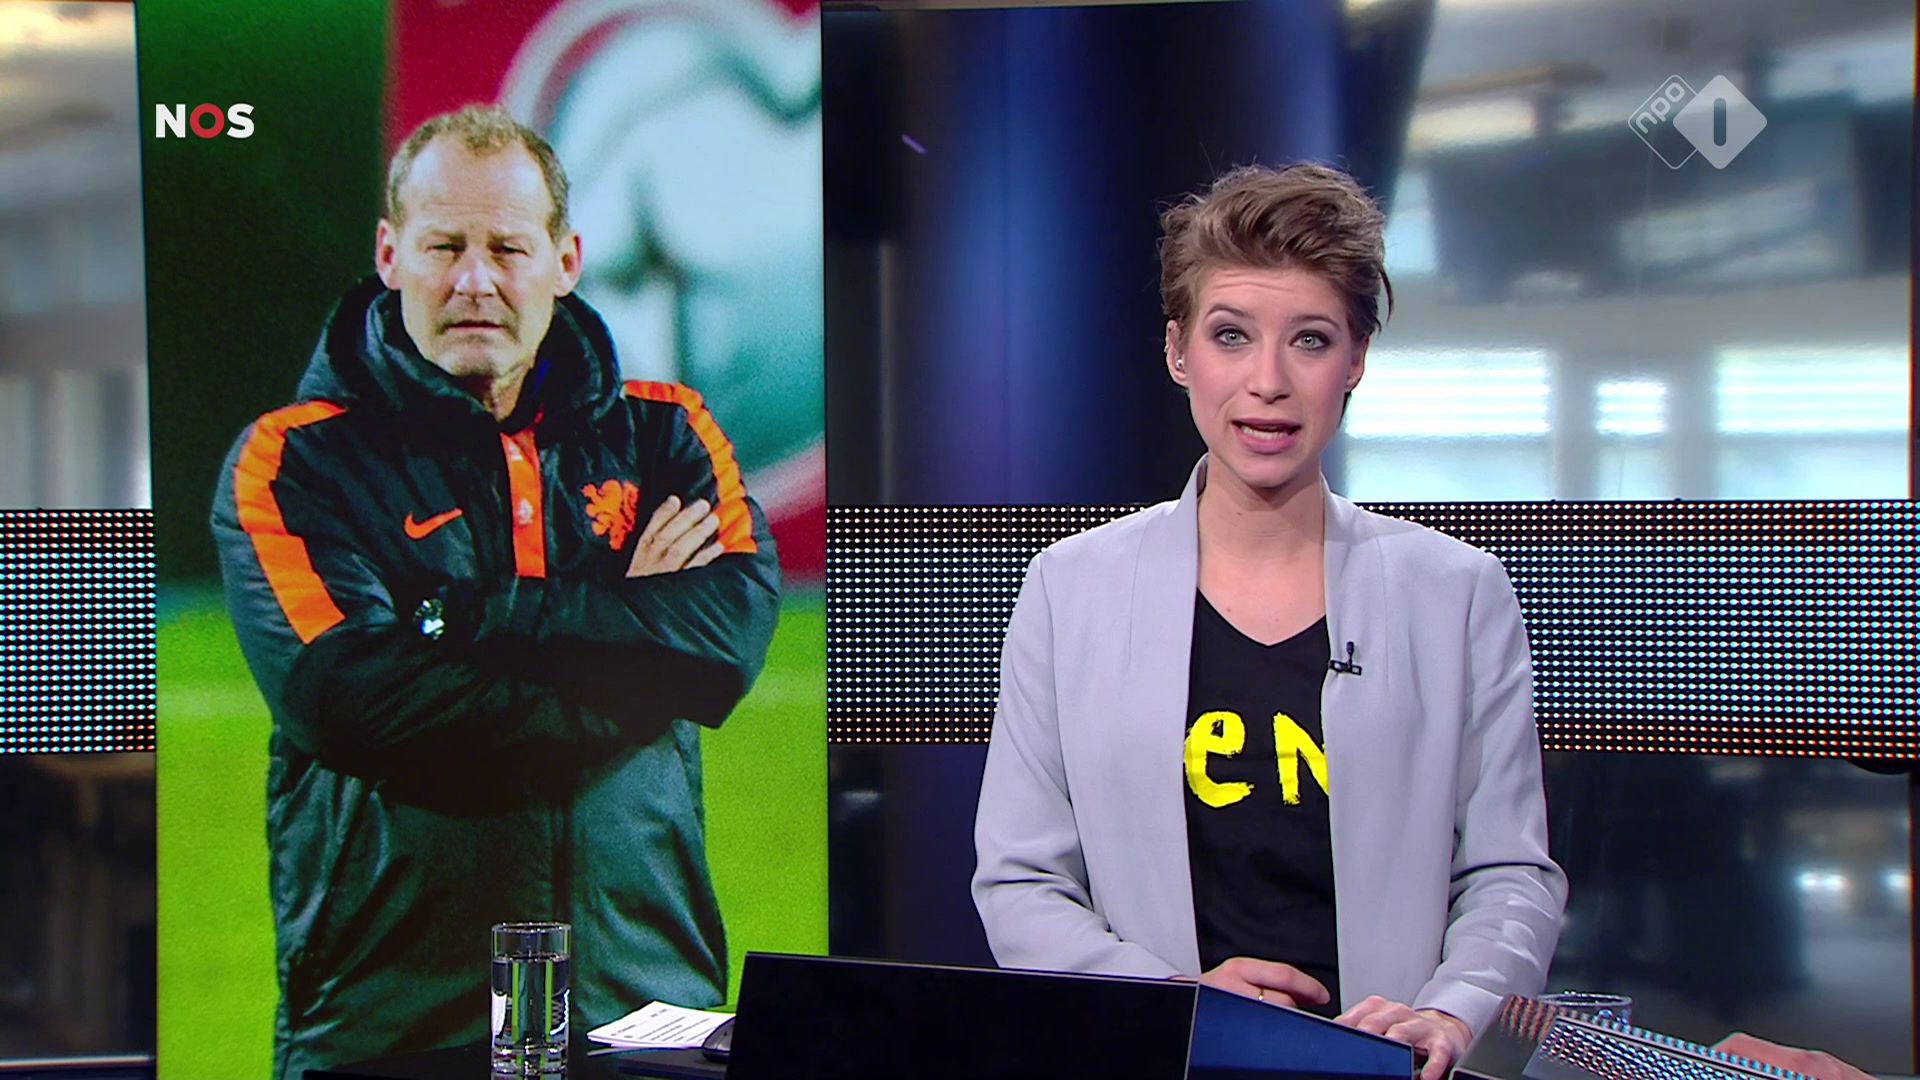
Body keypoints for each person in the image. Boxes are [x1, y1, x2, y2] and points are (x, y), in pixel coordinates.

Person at [211, 105, 780, 1080]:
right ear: (390, 255)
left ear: (566, 260)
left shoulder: (667, 435)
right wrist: (636, 666)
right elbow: (349, 701)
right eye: (445, 246)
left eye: (508, 248)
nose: (475, 280)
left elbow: (722, 647)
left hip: (641, 1006)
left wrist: (481, 619)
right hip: (392, 1022)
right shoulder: (297, 460)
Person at [971, 162, 1566, 1079]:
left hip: (1385, 1066)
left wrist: (1448, 1013)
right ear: (1179, 352)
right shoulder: (1070, 587)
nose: (1268, 382)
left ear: (1355, 361)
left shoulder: (1456, 591)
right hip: (1157, 1062)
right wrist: (1175, 1002)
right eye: (1231, 336)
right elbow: (1023, 880)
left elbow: (1509, 873)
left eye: (1311, 341)